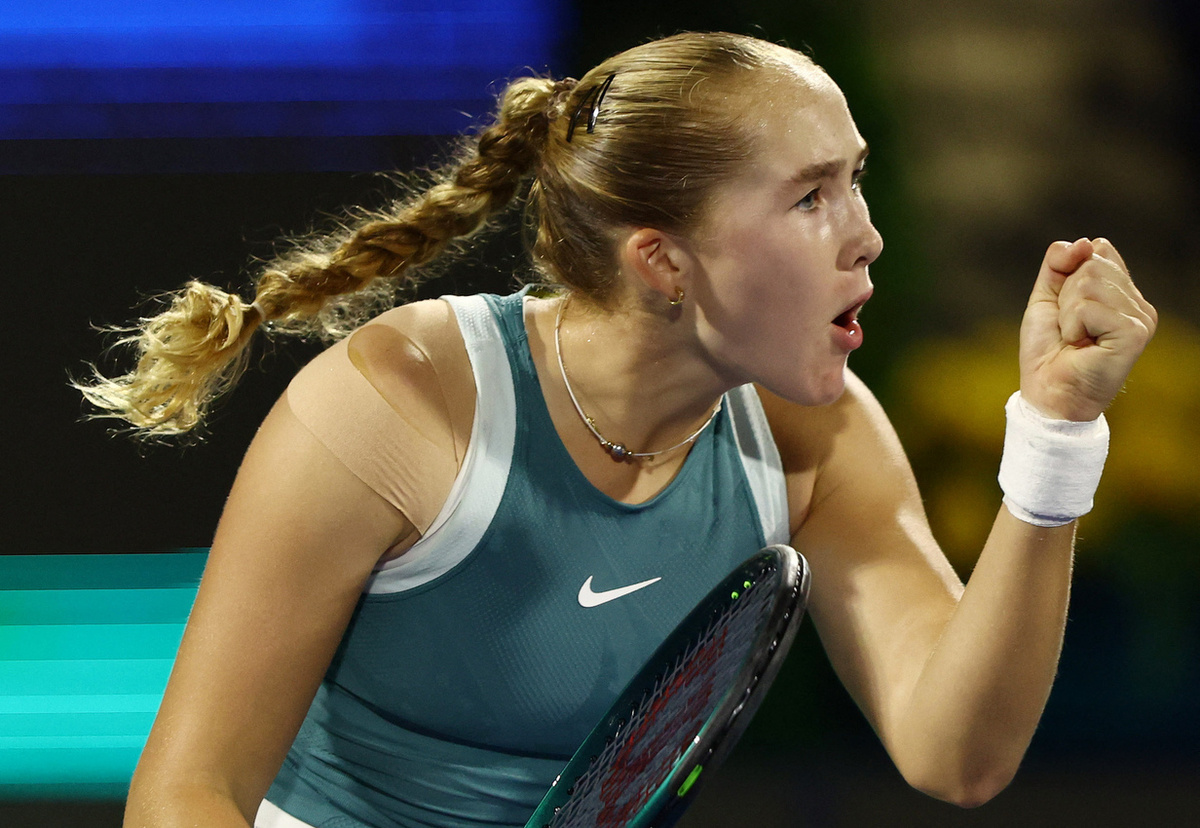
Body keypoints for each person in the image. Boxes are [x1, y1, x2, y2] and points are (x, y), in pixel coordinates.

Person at [78, 31, 1156, 828]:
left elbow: (959, 755)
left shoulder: (817, 440)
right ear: (663, 262)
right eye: (810, 197)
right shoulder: (398, 401)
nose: (867, 236)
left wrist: (1055, 438)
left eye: (856, 179)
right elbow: (186, 794)